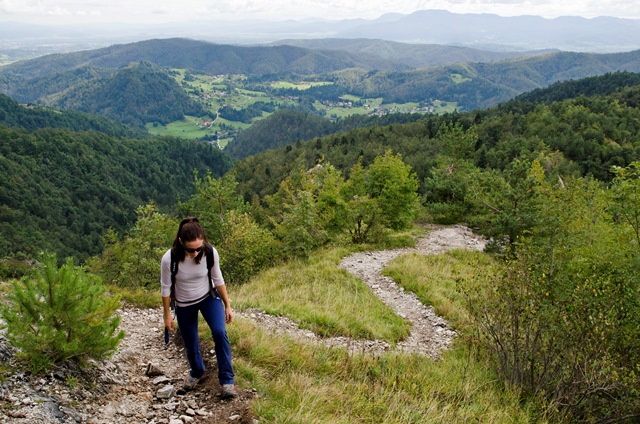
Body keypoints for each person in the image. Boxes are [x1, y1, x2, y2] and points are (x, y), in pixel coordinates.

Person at [160, 217, 237, 398]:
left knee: (219, 332)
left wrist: (228, 305)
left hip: (208, 298)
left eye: (198, 249)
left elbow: (218, 279)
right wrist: (166, 315)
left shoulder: (210, 252)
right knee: (190, 341)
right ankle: (197, 371)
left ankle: (227, 381)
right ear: (181, 242)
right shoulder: (168, 259)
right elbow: (165, 287)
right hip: (184, 303)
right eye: (190, 250)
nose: (195, 253)